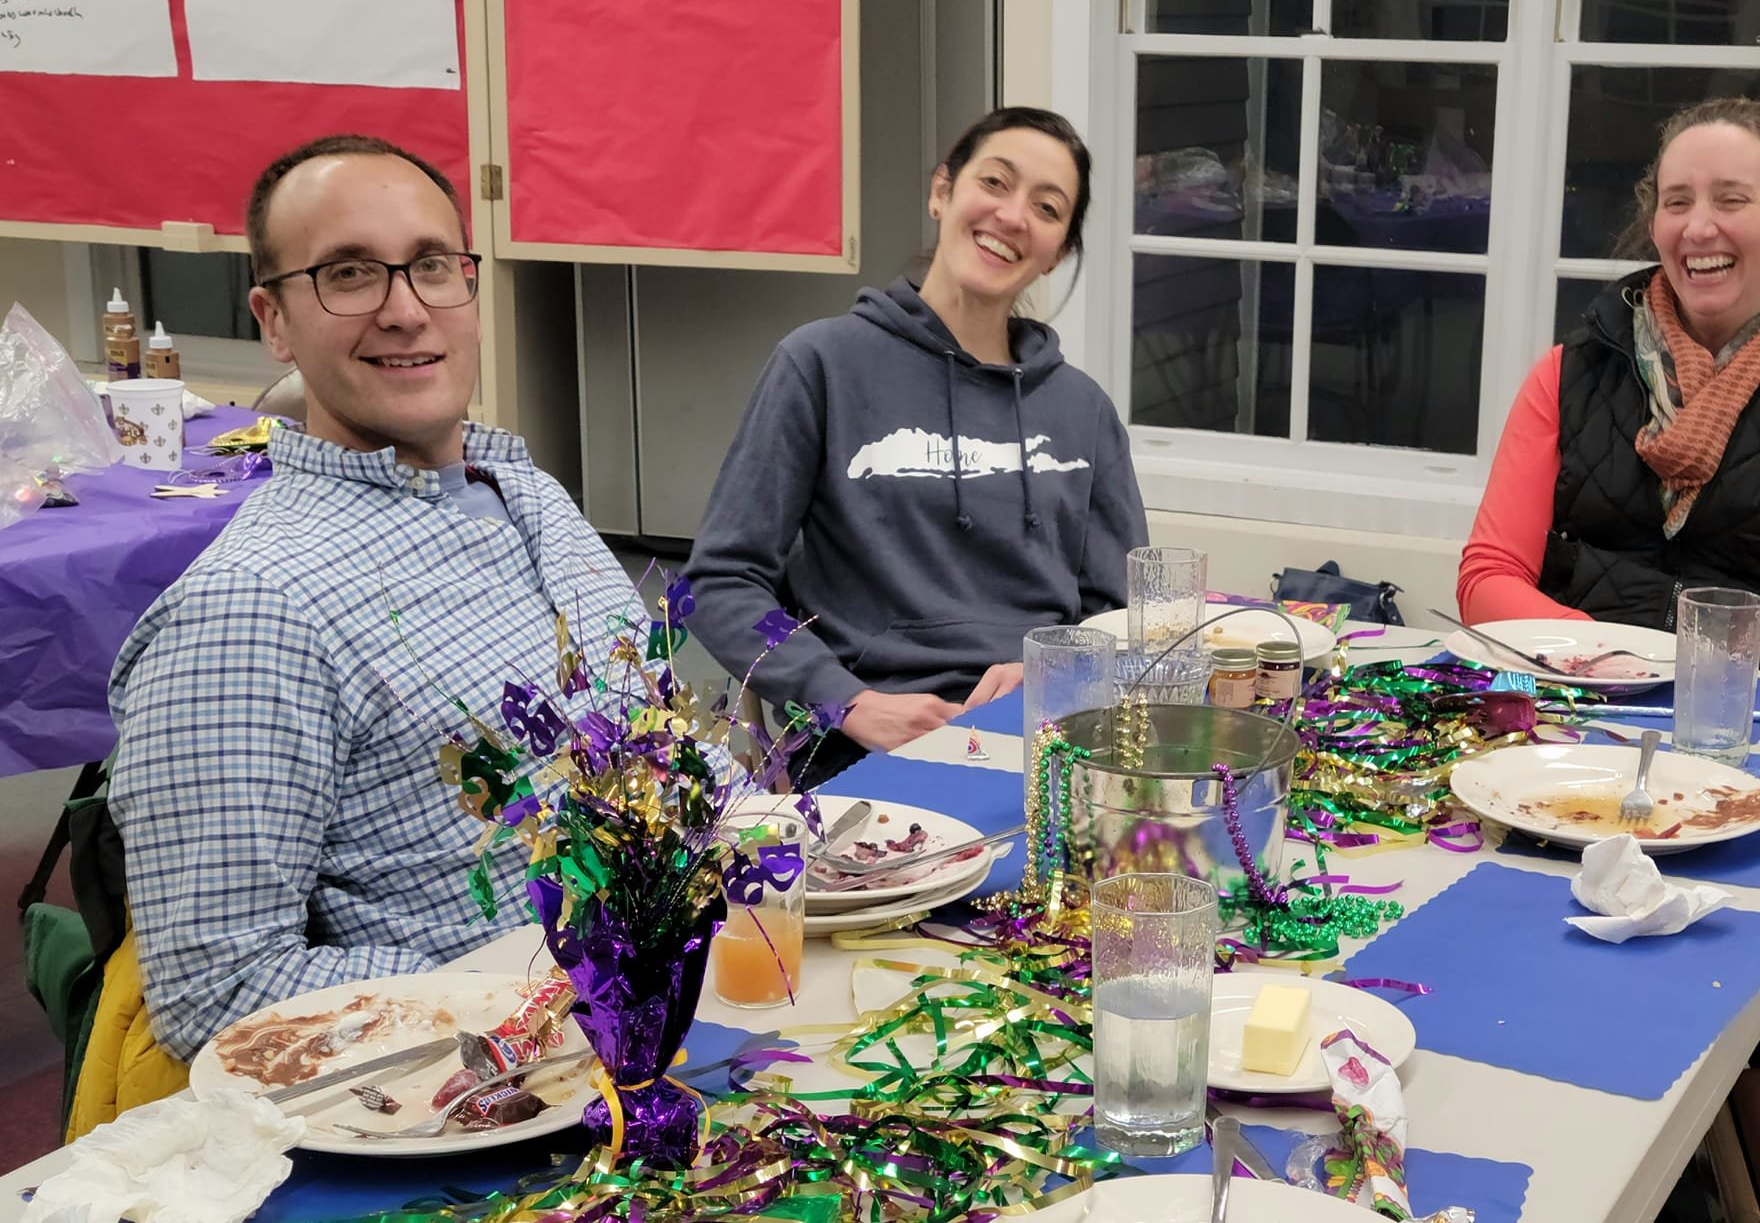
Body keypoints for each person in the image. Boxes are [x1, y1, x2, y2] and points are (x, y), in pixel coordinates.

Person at [105, 135, 645, 1068]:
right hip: (495, 1091)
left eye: (433, 266)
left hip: (669, 1001)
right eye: (350, 274)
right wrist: (522, 1002)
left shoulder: (528, 497)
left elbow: (654, 753)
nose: (406, 310)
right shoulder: (252, 610)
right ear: (274, 322)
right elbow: (220, 992)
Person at [686, 107, 1148, 780]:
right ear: (942, 192)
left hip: (1052, 740)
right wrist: (842, 699)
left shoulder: (1084, 410)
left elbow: (1124, 619)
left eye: (1047, 208)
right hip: (872, 742)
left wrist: (1059, 672)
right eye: (994, 182)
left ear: (1059, 251)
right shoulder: (820, 364)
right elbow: (720, 584)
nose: (1013, 216)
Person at [1459, 97, 1760, 686]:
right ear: (1655, 226)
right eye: (1677, 203)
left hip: (1740, 736)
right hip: (1564, 707)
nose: (1698, 227)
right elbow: (1487, 579)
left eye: (1732, 199)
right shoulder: (1566, 375)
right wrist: (1602, 660)